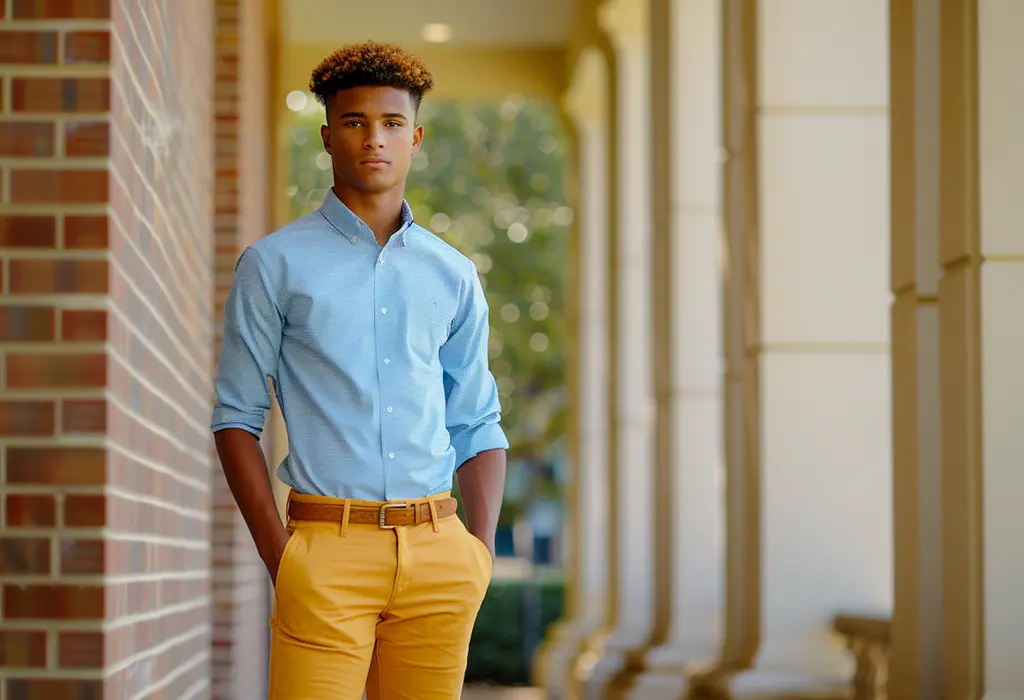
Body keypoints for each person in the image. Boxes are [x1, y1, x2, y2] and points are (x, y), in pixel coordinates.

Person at [211, 41, 508, 699]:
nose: (374, 138)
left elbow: (478, 420)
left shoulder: (453, 274)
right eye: (355, 122)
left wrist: (477, 556)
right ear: (327, 136)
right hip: (324, 550)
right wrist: (278, 556)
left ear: (416, 137)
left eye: (392, 123)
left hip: (439, 553)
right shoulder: (275, 264)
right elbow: (235, 417)